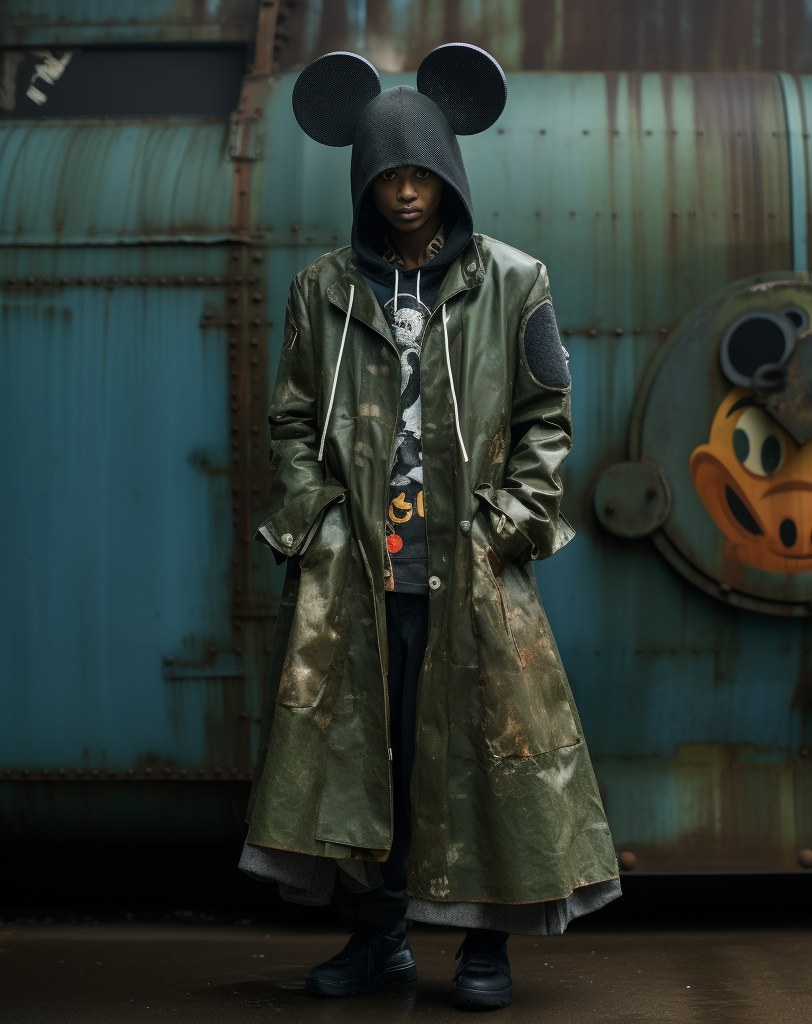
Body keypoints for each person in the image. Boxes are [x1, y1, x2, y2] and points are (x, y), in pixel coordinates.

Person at [239, 43, 619, 1009]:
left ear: (450, 175)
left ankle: (486, 951)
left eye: (421, 173)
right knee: (367, 761)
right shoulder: (321, 290)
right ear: (363, 184)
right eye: (388, 177)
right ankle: (379, 943)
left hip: (474, 565)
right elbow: (290, 421)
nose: (406, 194)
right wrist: (319, 518)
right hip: (359, 571)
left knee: (492, 755)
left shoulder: (514, 282)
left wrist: (510, 522)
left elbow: (547, 417)